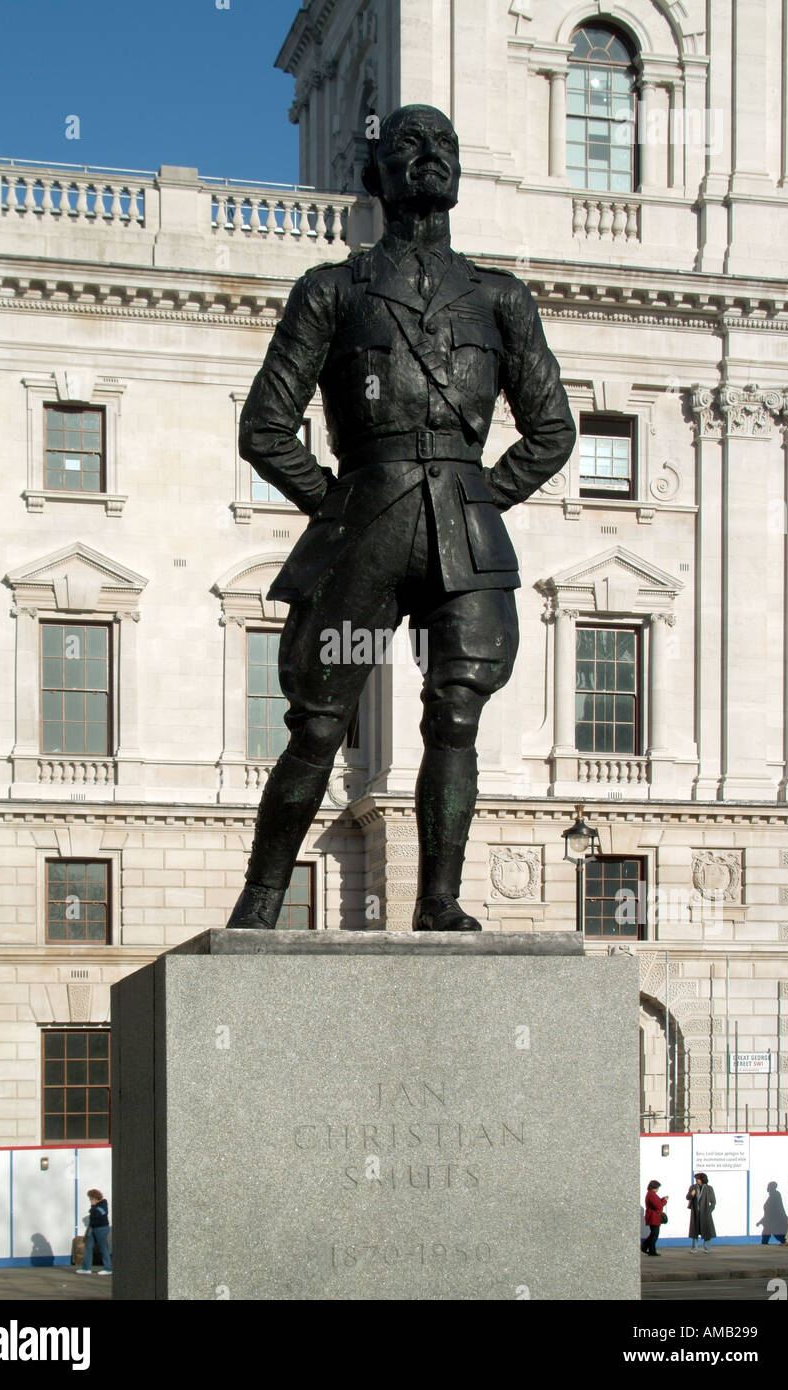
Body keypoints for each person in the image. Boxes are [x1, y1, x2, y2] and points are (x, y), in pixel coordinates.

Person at [226, 103, 575, 932]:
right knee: (319, 720)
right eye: (410, 146)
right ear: (374, 172)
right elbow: (264, 427)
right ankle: (262, 898)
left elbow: (552, 428)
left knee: (455, 713)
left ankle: (440, 900)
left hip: (466, 529)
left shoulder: (500, 298)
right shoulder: (330, 291)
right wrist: (338, 506)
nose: (431, 159)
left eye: (446, 145)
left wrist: (484, 494)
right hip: (365, 519)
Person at [76, 1188, 112, 1275]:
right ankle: (86, 1268)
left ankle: (108, 1268)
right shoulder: (95, 1206)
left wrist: (93, 1207)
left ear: (95, 1198)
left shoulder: (103, 1203)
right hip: (93, 1229)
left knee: (103, 1247)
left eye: (91, 1199)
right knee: (88, 1246)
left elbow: (99, 1214)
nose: (90, 1201)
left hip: (102, 1228)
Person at [686, 1171, 716, 1252]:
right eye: (696, 1179)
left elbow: (713, 1201)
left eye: (698, 1179)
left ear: (702, 1179)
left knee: (706, 1230)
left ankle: (707, 1248)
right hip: (695, 1213)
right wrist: (691, 1194)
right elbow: (687, 1197)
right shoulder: (693, 1187)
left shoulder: (709, 1188)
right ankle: (694, 1248)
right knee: (694, 1231)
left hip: (705, 1213)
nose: (696, 1180)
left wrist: (709, 1211)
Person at [641, 1180, 668, 1256]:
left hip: (653, 1216)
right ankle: (649, 1249)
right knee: (654, 1235)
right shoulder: (652, 1195)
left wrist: (662, 1199)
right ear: (654, 1187)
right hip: (654, 1217)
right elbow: (658, 1206)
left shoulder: (651, 1194)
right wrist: (664, 1201)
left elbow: (657, 1202)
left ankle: (647, 1248)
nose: (658, 1189)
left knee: (653, 1234)